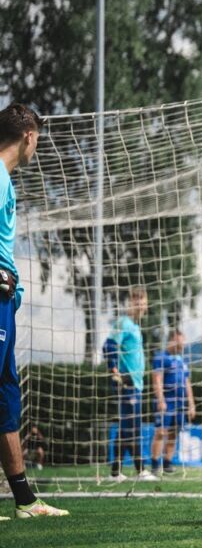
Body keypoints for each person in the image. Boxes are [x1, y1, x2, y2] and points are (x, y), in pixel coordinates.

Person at [0, 103, 68, 518]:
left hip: (5, 303)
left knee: (6, 398)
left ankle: (24, 501)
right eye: (38, 139)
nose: (37, 147)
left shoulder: (5, 181)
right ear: (28, 136)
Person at [104, 286, 157, 482]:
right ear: (131, 302)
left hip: (136, 384)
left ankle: (122, 471)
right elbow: (108, 345)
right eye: (137, 300)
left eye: (143, 301)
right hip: (126, 383)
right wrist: (114, 369)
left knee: (131, 427)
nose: (141, 304)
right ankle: (133, 470)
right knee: (130, 427)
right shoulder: (124, 323)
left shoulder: (135, 327)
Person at [149, 330, 196, 475]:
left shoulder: (181, 360)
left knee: (174, 433)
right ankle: (155, 464)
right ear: (171, 340)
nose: (182, 345)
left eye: (183, 341)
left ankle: (167, 463)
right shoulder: (161, 358)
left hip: (180, 403)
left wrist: (192, 404)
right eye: (179, 341)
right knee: (161, 432)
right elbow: (157, 380)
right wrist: (161, 399)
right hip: (167, 402)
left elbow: (187, 383)